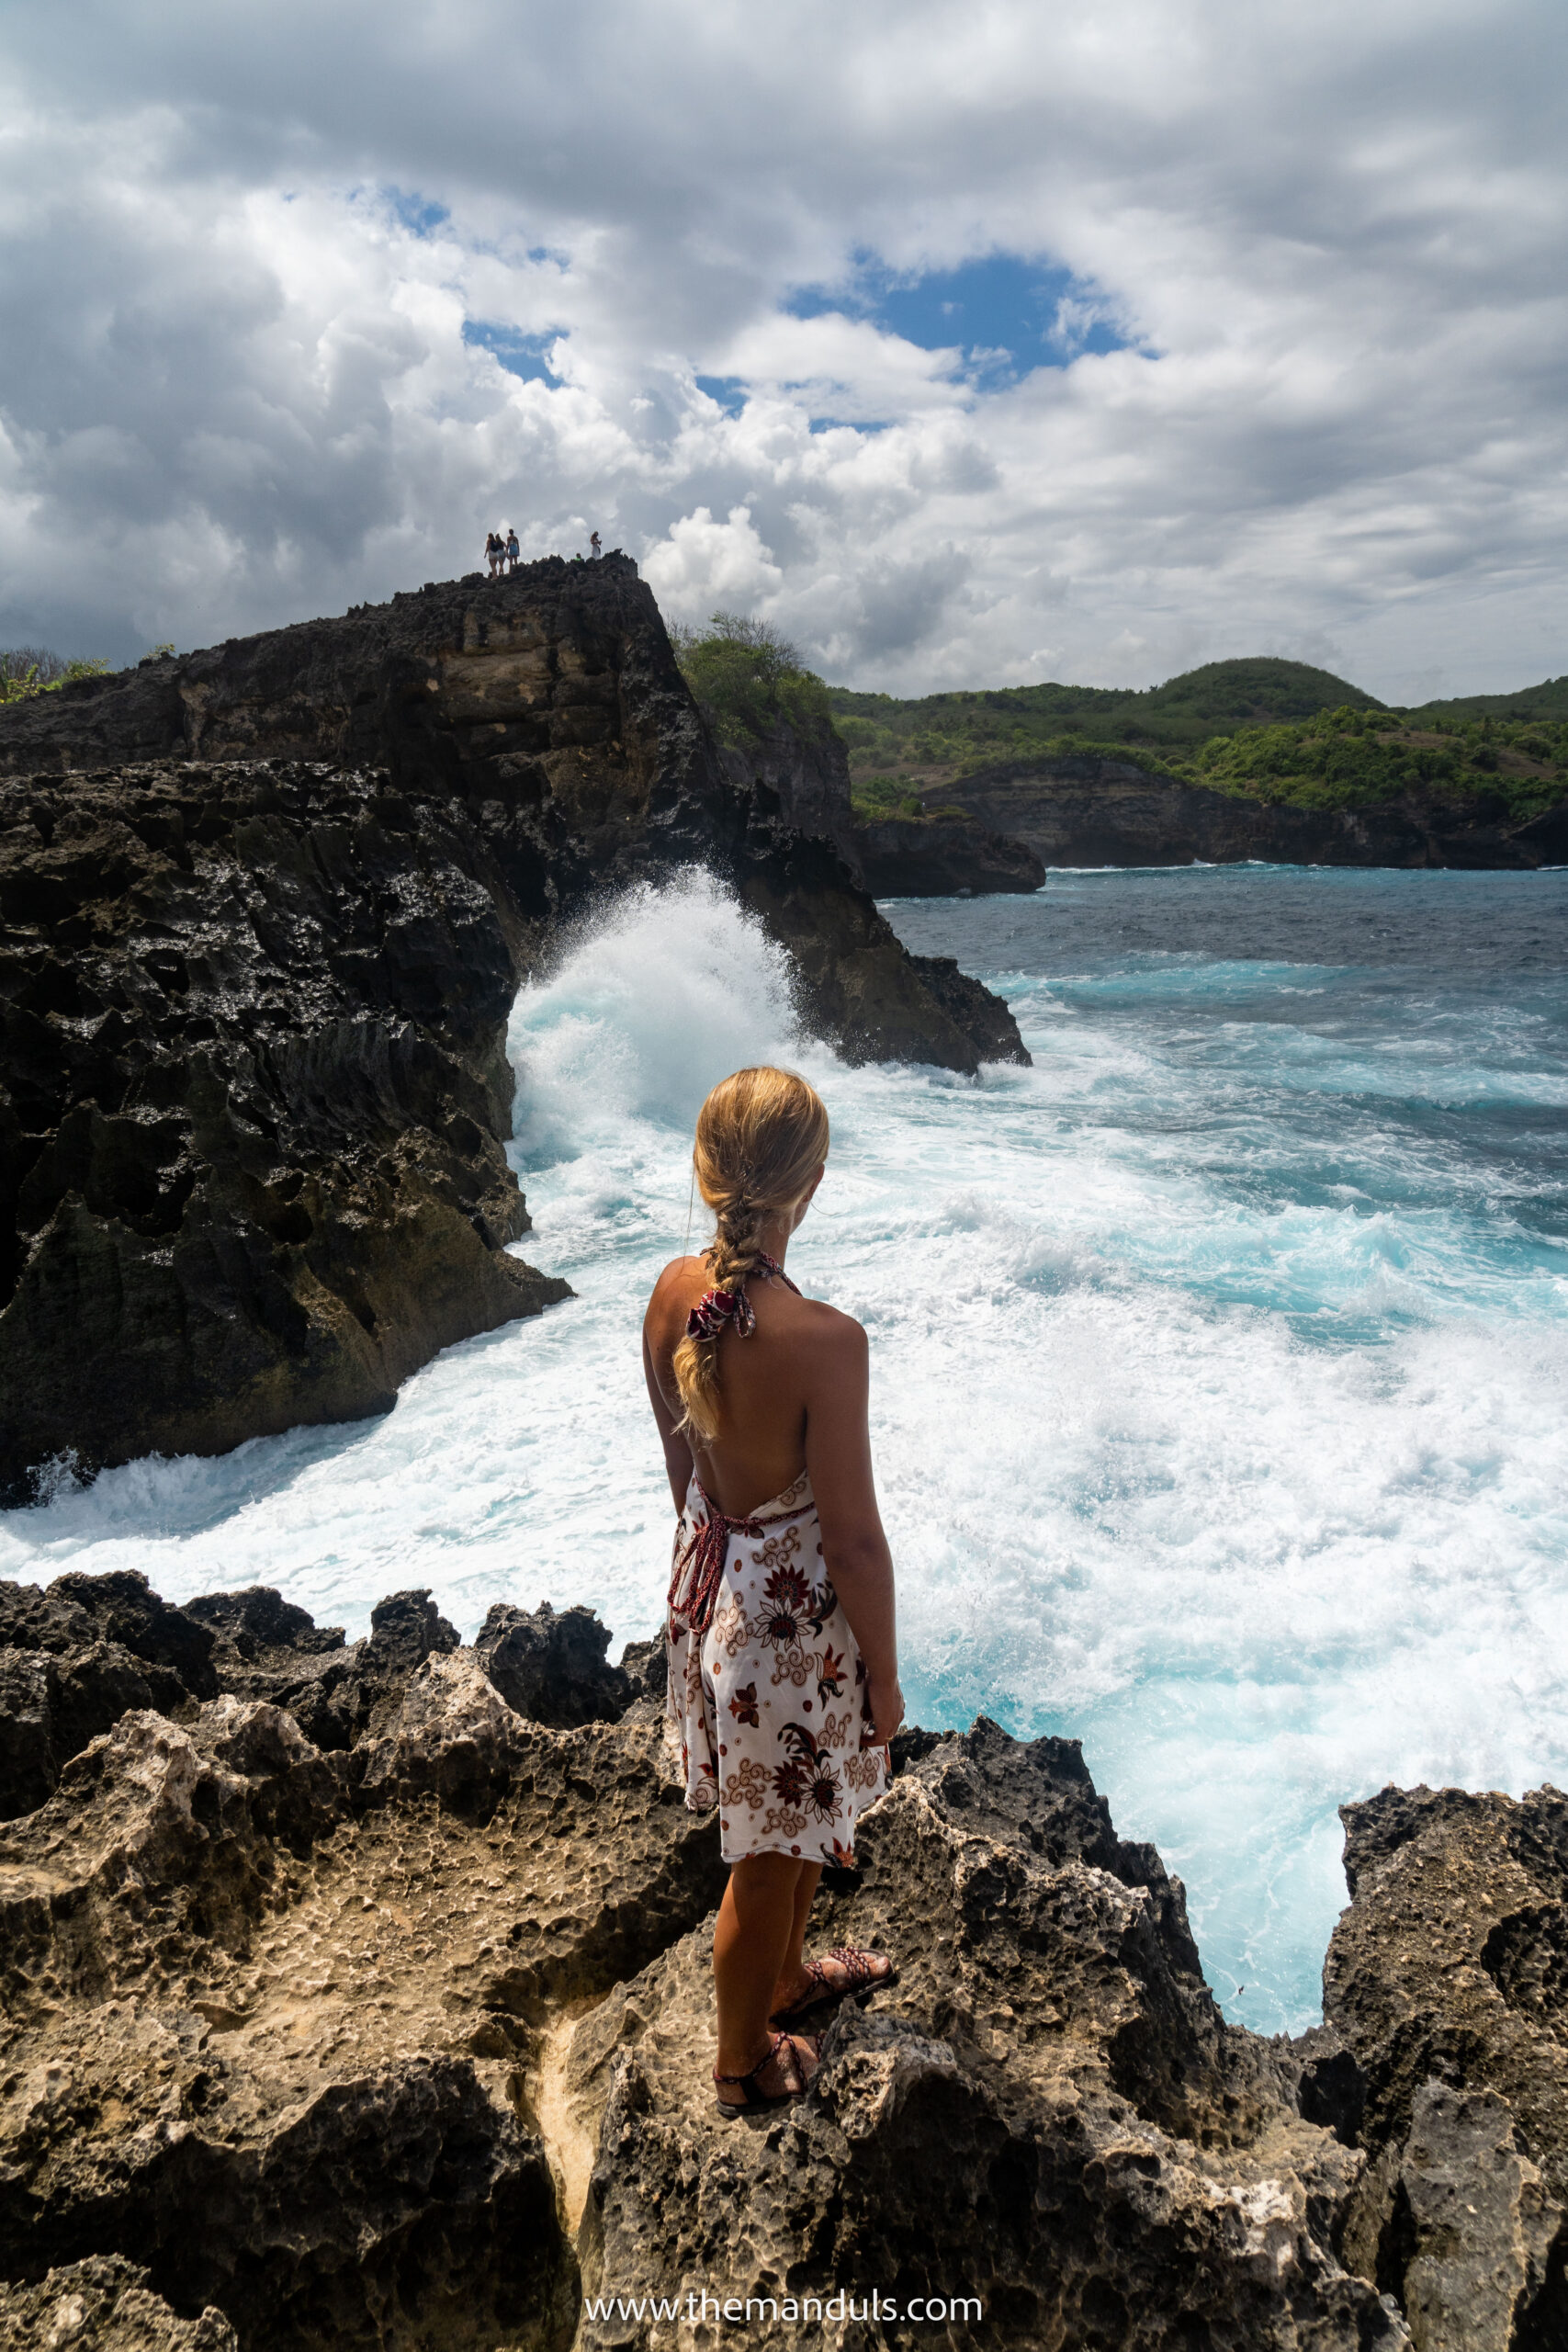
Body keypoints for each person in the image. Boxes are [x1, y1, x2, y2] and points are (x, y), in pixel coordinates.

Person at [642, 1066, 902, 2118]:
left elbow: (681, 1469)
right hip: (790, 1635)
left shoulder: (671, 1294)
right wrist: (883, 1677)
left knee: (792, 1822)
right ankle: (740, 2061)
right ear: (815, 1182)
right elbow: (854, 1539)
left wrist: (711, 1568)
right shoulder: (825, 1342)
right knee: (764, 1854)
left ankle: (788, 1979)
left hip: (715, 1595)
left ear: (706, 1171)